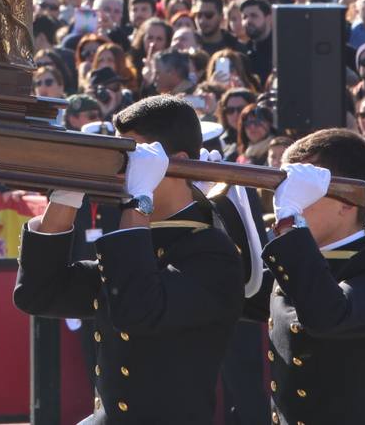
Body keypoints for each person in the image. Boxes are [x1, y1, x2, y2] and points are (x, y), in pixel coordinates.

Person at [14, 95, 244, 423]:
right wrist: (69, 190)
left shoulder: (212, 252)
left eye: (134, 157)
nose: (124, 170)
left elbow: (138, 308)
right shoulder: (139, 241)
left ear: (175, 162)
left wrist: (139, 199)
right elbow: (40, 292)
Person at [247, 129, 365, 425]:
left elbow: (327, 315)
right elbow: (235, 292)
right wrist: (214, 201)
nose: (287, 200)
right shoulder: (300, 260)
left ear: (347, 202)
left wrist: (290, 223)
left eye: (302, 193)